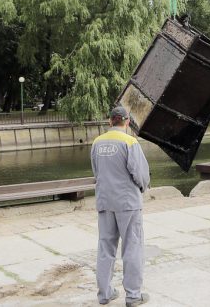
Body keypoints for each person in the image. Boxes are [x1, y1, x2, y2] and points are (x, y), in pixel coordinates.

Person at [91, 106, 150, 306]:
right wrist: (142, 188)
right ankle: (133, 296)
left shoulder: (97, 143)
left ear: (110, 121)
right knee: (132, 246)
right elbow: (141, 175)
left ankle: (105, 294)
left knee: (105, 247)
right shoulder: (130, 142)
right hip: (127, 203)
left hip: (105, 202)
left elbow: (96, 173)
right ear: (126, 122)